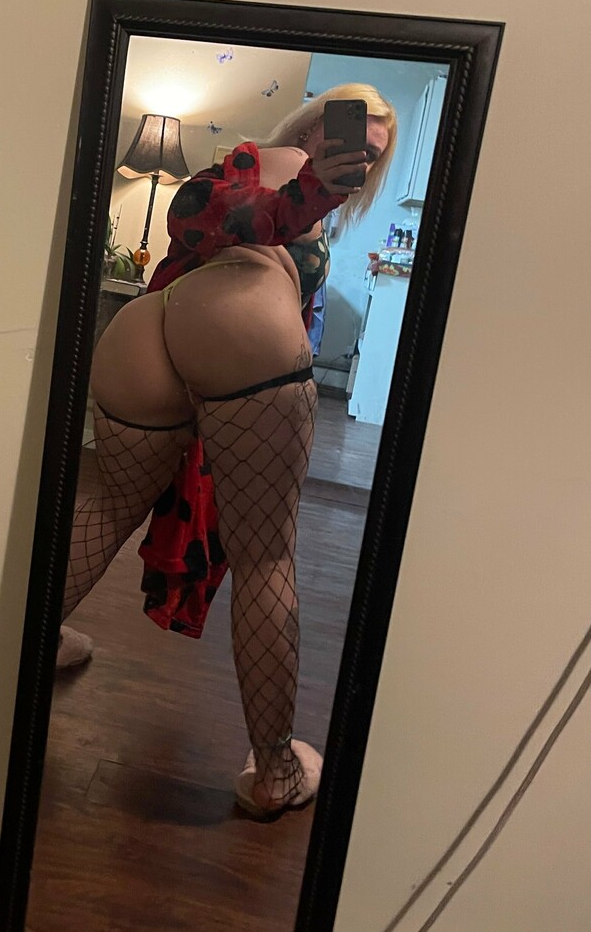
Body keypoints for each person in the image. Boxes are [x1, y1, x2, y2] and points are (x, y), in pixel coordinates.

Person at [56, 84, 397, 818]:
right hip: (242, 322)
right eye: (349, 136)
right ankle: (276, 771)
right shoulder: (288, 174)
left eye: (371, 155)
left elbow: (201, 214)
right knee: (267, 557)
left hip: (149, 326)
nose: (358, 158)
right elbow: (259, 216)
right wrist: (314, 187)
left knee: (105, 506)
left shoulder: (235, 165)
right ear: (315, 123)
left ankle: (29, 646)